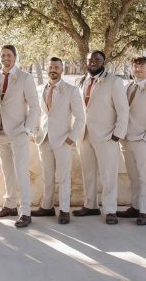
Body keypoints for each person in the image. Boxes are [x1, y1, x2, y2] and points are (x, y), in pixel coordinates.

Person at [73, 51, 129, 224]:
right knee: (88, 173)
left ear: (104, 61)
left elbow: (123, 109)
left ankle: (110, 210)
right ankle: (90, 205)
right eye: (90, 59)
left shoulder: (114, 81)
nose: (93, 62)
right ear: (86, 61)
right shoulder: (80, 81)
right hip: (84, 134)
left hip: (106, 136)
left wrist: (117, 135)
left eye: (97, 59)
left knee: (108, 175)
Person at [31, 57, 85, 224]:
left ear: (62, 69)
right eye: (51, 66)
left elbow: (80, 117)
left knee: (63, 176)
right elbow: (36, 113)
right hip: (43, 139)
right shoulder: (40, 89)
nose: (53, 69)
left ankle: (64, 210)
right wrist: (35, 131)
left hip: (63, 140)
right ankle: (47, 207)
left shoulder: (71, 90)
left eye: (56, 66)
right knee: (47, 175)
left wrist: (71, 138)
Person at [0, 45, 40, 228]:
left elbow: (34, 106)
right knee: (7, 171)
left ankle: (25, 212)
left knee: (21, 172)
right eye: (3, 55)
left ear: (15, 57)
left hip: (18, 132)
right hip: (0, 132)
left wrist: (27, 129)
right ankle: (10, 204)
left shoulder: (25, 78)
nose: (6, 58)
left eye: (9, 55)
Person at [117, 56, 146, 225]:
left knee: (144, 176)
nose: (138, 69)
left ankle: (144, 210)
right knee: (133, 176)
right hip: (126, 138)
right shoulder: (127, 87)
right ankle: (135, 206)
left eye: (142, 66)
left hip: (142, 139)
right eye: (135, 66)